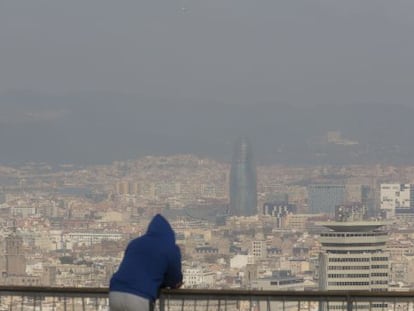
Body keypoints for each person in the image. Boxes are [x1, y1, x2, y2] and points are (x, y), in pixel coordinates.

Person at [109, 214, 183, 311]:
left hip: (116, 293)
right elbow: (174, 277)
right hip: (140, 296)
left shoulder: (135, 243)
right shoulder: (170, 248)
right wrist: (173, 284)